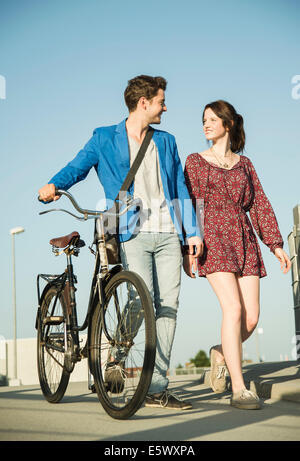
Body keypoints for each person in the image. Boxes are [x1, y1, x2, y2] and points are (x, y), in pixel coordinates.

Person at [38, 75, 203, 410]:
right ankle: (117, 354)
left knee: (167, 307)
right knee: (139, 300)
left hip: (168, 231)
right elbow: (77, 167)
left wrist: (192, 231)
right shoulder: (103, 138)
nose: (165, 107)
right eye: (161, 101)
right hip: (130, 229)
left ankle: (156, 386)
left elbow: (179, 189)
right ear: (144, 103)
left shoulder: (167, 141)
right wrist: (53, 184)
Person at [183, 100, 291, 410]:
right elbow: (191, 205)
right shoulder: (195, 161)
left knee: (251, 317)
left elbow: (259, 205)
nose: (206, 124)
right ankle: (239, 389)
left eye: (212, 119)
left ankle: (220, 351)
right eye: (203, 119)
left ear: (228, 125)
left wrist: (275, 244)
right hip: (212, 239)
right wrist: (187, 247)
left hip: (243, 239)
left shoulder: (245, 165)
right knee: (232, 309)